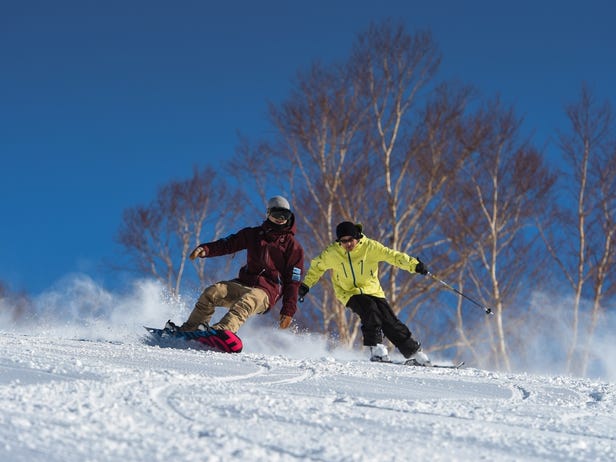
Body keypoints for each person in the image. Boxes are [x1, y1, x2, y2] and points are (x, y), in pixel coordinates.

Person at [299, 221, 431, 365]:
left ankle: (414, 352)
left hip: (373, 290)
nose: (348, 244)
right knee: (370, 310)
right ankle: (375, 348)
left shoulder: (370, 247)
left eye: (350, 240)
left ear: (357, 237)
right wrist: (306, 285)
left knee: (389, 320)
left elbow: (393, 256)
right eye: (343, 241)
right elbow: (317, 267)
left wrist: (414, 265)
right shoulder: (332, 253)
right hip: (348, 292)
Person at [169, 196, 304, 334]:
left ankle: (222, 331)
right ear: (268, 213)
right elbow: (228, 244)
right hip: (243, 283)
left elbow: (293, 282)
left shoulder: (293, 247)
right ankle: (190, 330)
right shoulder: (253, 234)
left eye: (285, 215)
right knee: (212, 292)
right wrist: (206, 249)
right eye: (277, 214)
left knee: (247, 301)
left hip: (267, 291)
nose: (281, 218)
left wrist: (288, 310)